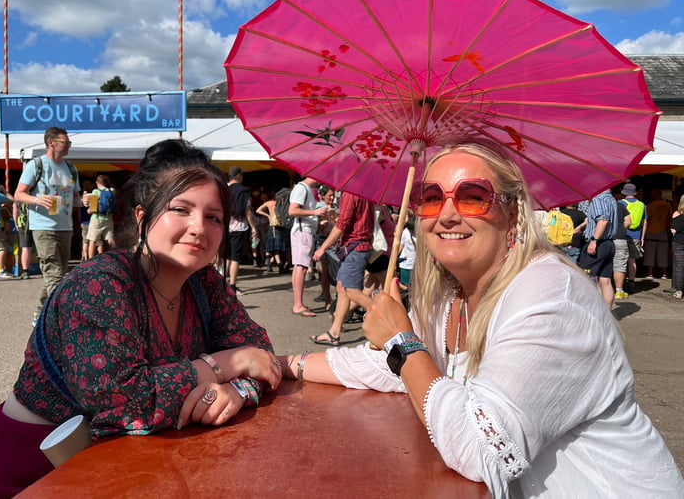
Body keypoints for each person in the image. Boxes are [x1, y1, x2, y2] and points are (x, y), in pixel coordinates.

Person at [277, 139, 683, 498]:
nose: (447, 215)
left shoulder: (552, 294)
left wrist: (402, 341)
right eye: (431, 197)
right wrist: (283, 366)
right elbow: (386, 367)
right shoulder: (449, 293)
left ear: (514, 214)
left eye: (472, 196)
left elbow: (481, 448)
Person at [0, 139, 282, 498]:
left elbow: (262, 353)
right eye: (181, 209)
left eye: (213, 217)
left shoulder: (204, 282)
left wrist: (237, 389)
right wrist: (227, 362)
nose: (199, 227)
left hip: (135, 462)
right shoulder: (100, 283)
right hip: (39, 471)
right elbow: (118, 400)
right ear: (142, 215)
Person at [14, 127, 81, 325]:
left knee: (58, 272)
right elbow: (18, 194)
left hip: (65, 226)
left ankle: (39, 313)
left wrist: (82, 200)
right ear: (51, 142)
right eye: (65, 142)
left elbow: (74, 199)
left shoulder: (71, 168)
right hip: (43, 225)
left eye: (69, 143)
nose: (69, 146)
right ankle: (60, 319)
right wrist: (37, 200)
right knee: (53, 271)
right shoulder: (36, 165)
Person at [311, 191, 374, 345]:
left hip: (355, 247)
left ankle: (386, 317)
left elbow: (342, 224)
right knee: (342, 289)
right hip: (359, 245)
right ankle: (334, 332)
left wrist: (322, 248)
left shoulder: (351, 192)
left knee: (351, 291)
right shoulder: (363, 191)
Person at [288, 177, 326, 316]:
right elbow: (292, 210)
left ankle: (298, 304)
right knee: (301, 267)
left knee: (300, 267)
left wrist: (316, 223)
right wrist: (314, 213)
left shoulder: (306, 189)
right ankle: (298, 305)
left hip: (305, 230)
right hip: (302, 231)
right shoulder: (301, 188)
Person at [579, 189, 618, 309]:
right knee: (605, 280)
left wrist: (594, 240)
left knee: (585, 277)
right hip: (609, 243)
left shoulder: (598, 199)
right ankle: (607, 314)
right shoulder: (611, 199)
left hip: (599, 242)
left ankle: (590, 311)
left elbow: (603, 220)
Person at [225, 166, 257, 294]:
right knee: (235, 258)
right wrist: (253, 227)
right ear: (238, 175)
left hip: (224, 227)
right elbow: (247, 211)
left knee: (226, 256)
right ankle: (232, 285)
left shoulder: (223, 188)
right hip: (239, 227)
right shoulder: (242, 191)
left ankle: (221, 283)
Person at [619, 183, 646, 287]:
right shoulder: (642, 204)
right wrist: (642, 237)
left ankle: (620, 283)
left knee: (621, 259)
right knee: (632, 259)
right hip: (636, 235)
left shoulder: (620, 203)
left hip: (622, 234)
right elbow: (645, 222)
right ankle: (631, 282)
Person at [643, 189, 672, 280]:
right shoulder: (667, 205)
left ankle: (650, 273)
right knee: (663, 253)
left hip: (651, 231)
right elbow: (669, 218)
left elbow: (647, 219)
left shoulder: (650, 206)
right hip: (663, 232)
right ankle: (664, 273)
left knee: (650, 253)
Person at [255, 192, 287, 273]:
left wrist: (268, 215)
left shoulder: (269, 203)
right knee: (275, 247)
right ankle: (279, 265)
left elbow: (258, 210)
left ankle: (270, 265)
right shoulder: (282, 204)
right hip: (279, 225)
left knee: (274, 247)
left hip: (273, 224)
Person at [86, 174, 116, 258]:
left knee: (92, 240)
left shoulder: (96, 191)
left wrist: (89, 210)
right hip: (109, 218)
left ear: (97, 182)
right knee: (110, 239)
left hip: (97, 218)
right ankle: (116, 257)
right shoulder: (112, 190)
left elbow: (92, 208)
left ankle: (90, 261)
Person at [612, 200, 631, 299]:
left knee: (603, 264)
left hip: (604, 238)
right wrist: (620, 228)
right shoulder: (621, 206)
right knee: (619, 264)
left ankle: (601, 290)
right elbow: (628, 222)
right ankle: (619, 291)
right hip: (619, 238)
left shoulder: (598, 205)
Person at [671, 194, 684, 300]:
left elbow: (673, 230)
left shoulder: (676, 214)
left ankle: (679, 290)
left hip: (679, 242)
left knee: (679, 266)